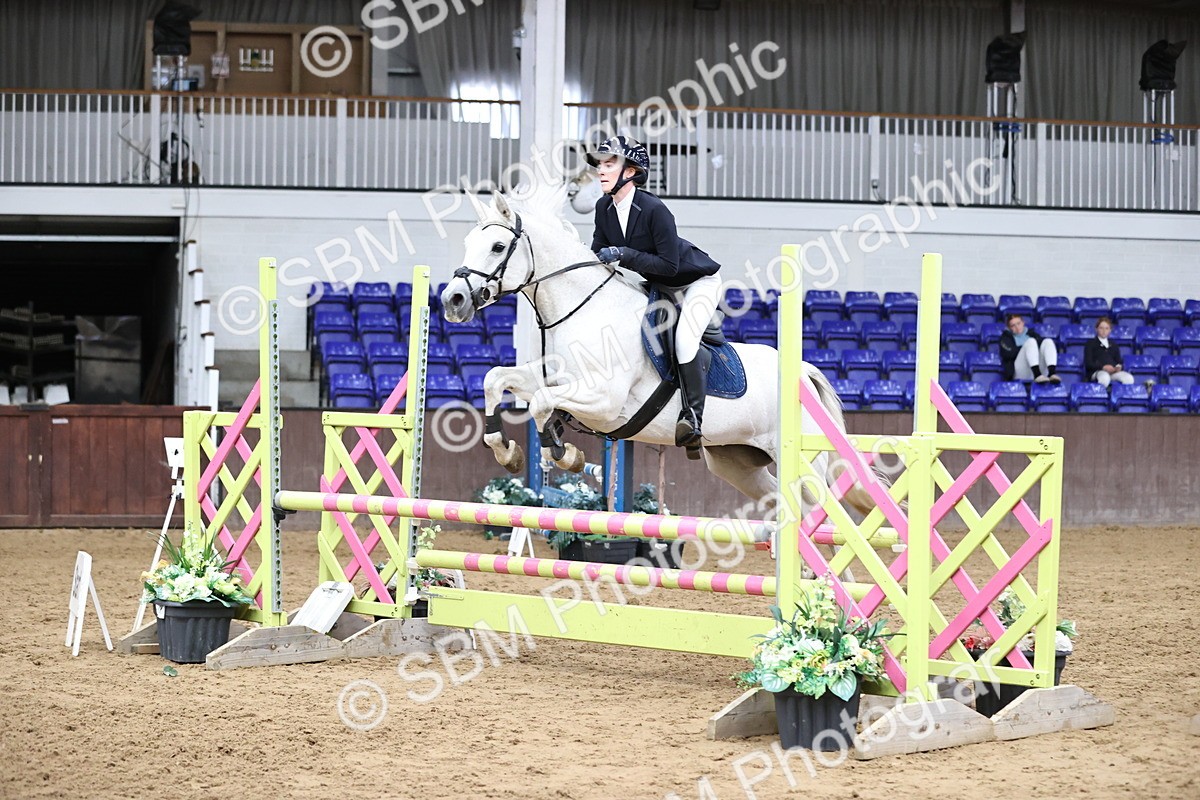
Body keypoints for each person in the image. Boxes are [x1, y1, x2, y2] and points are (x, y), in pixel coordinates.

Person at [587, 136, 722, 452]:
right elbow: (597, 253)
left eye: (610, 165)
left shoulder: (654, 208)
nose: (601, 171)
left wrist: (623, 253)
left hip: (695, 282)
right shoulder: (603, 207)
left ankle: (693, 420)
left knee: (685, 340)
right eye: (601, 165)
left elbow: (670, 266)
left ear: (631, 172)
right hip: (657, 282)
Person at [999, 313, 1059, 382]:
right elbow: (1008, 354)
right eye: (1013, 325)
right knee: (1030, 342)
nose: (1017, 327)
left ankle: (1052, 373)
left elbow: (1042, 346)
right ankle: (1037, 374)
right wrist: (1025, 348)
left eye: (1018, 323)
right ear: (1009, 328)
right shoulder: (1006, 337)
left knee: (1048, 341)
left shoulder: (1031, 333)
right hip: (1020, 371)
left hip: (1038, 367)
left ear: (1023, 323)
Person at [1084, 316, 1134, 387]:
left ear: (1110, 330)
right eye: (1101, 328)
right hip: (1097, 372)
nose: (1104, 331)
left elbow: (1119, 361)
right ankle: (1101, 396)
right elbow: (1088, 363)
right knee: (1104, 377)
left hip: (1113, 373)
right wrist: (1103, 367)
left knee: (1129, 378)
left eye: (1107, 328)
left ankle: (1119, 397)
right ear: (1096, 329)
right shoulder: (1090, 344)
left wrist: (1118, 367)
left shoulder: (1113, 344)